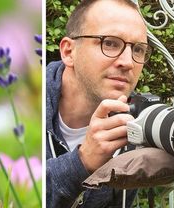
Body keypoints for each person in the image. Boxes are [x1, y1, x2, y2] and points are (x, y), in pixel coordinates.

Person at [45, 0, 151, 207]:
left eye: (138, 49)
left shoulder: (135, 123)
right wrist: (81, 162)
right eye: (109, 43)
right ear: (68, 52)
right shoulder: (29, 99)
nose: (128, 62)